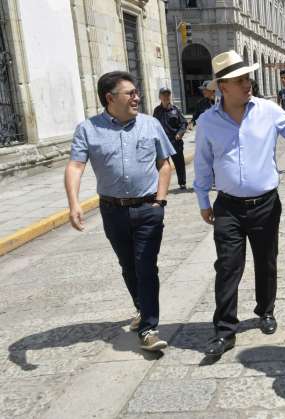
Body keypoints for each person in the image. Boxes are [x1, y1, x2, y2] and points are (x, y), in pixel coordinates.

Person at [194, 50, 285, 358]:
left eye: (248, 79)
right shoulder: (207, 122)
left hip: (266, 204)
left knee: (266, 261)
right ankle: (224, 330)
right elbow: (203, 164)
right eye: (240, 80)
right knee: (228, 265)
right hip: (227, 206)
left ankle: (265, 310)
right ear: (222, 86)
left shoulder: (268, 111)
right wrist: (203, 199)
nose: (248, 85)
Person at [64, 71, 175, 351]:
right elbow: (76, 166)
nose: (137, 97)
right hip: (113, 211)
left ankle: (149, 328)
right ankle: (141, 307)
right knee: (128, 266)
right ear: (110, 98)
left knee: (146, 266)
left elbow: (165, 164)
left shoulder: (150, 125)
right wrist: (74, 203)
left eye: (137, 92)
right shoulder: (88, 129)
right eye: (130, 93)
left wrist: (160, 201)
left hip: (148, 208)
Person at [153, 87, 188, 190]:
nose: (166, 97)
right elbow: (153, 124)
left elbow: (184, 123)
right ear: (160, 97)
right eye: (164, 95)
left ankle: (182, 183)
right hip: (162, 142)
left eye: (168, 95)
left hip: (175, 141)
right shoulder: (157, 111)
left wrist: (180, 133)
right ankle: (163, 185)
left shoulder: (175, 109)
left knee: (179, 163)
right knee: (162, 165)